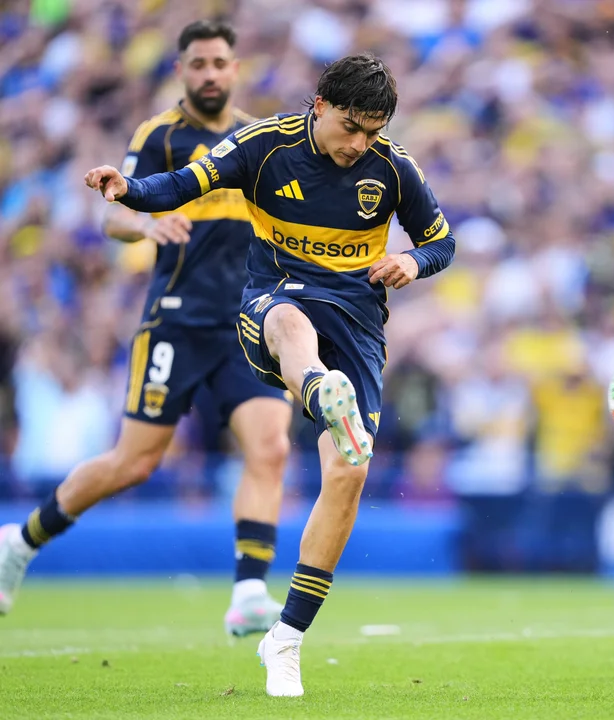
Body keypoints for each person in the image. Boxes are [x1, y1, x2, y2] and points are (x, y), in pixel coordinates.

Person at [82, 52, 455, 697]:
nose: (359, 144)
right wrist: (129, 190)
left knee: (350, 471)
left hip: (358, 321)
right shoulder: (264, 145)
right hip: (274, 301)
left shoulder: (394, 169)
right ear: (320, 105)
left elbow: (442, 241)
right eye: (350, 127)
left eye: (372, 132)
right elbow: (184, 184)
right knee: (289, 322)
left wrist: (413, 262)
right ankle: (315, 386)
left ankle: (285, 638)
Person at [0, 20, 294, 638]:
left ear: (235, 69)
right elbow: (113, 218)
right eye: (198, 64)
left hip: (246, 323)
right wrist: (146, 224)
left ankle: (248, 592)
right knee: (134, 463)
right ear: (181, 70)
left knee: (270, 447)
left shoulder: (258, 141)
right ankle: (20, 542)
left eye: (219, 63)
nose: (209, 74)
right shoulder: (159, 135)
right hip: (176, 322)